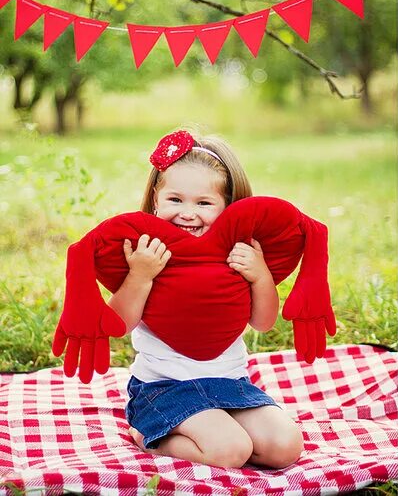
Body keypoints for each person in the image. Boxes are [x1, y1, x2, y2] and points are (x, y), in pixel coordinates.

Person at [109, 129, 304, 469]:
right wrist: (140, 277)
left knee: (285, 447)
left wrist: (260, 276)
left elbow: (263, 321)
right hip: (163, 389)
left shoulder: (236, 254)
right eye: (175, 200)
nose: (187, 213)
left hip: (230, 385)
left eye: (203, 203)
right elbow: (118, 325)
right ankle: (151, 436)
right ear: (156, 198)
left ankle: (218, 428)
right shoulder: (149, 254)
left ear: (228, 207)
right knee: (231, 451)